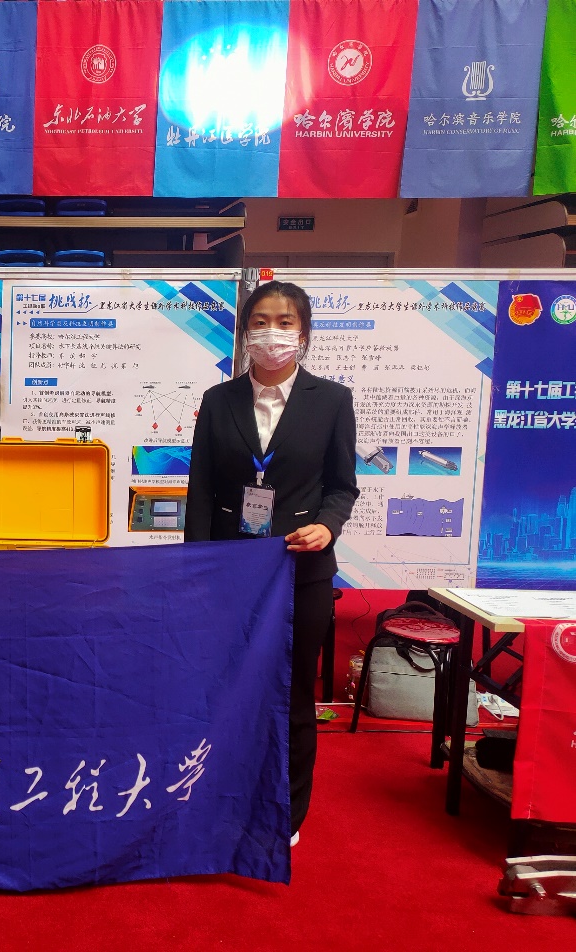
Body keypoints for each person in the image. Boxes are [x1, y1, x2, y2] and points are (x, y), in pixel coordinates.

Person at [185, 280, 358, 846]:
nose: (272, 333)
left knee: (292, 692)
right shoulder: (219, 400)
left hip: (300, 570)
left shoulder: (331, 400)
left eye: (286, 322)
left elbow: (342, 486)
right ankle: (219, 796)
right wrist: (197, 570)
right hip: (231, 571)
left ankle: (286, 812)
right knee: (226, 687)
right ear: (243, 332)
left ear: (304, 333)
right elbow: (202, 490)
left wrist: (327, 525)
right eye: (260, 321)